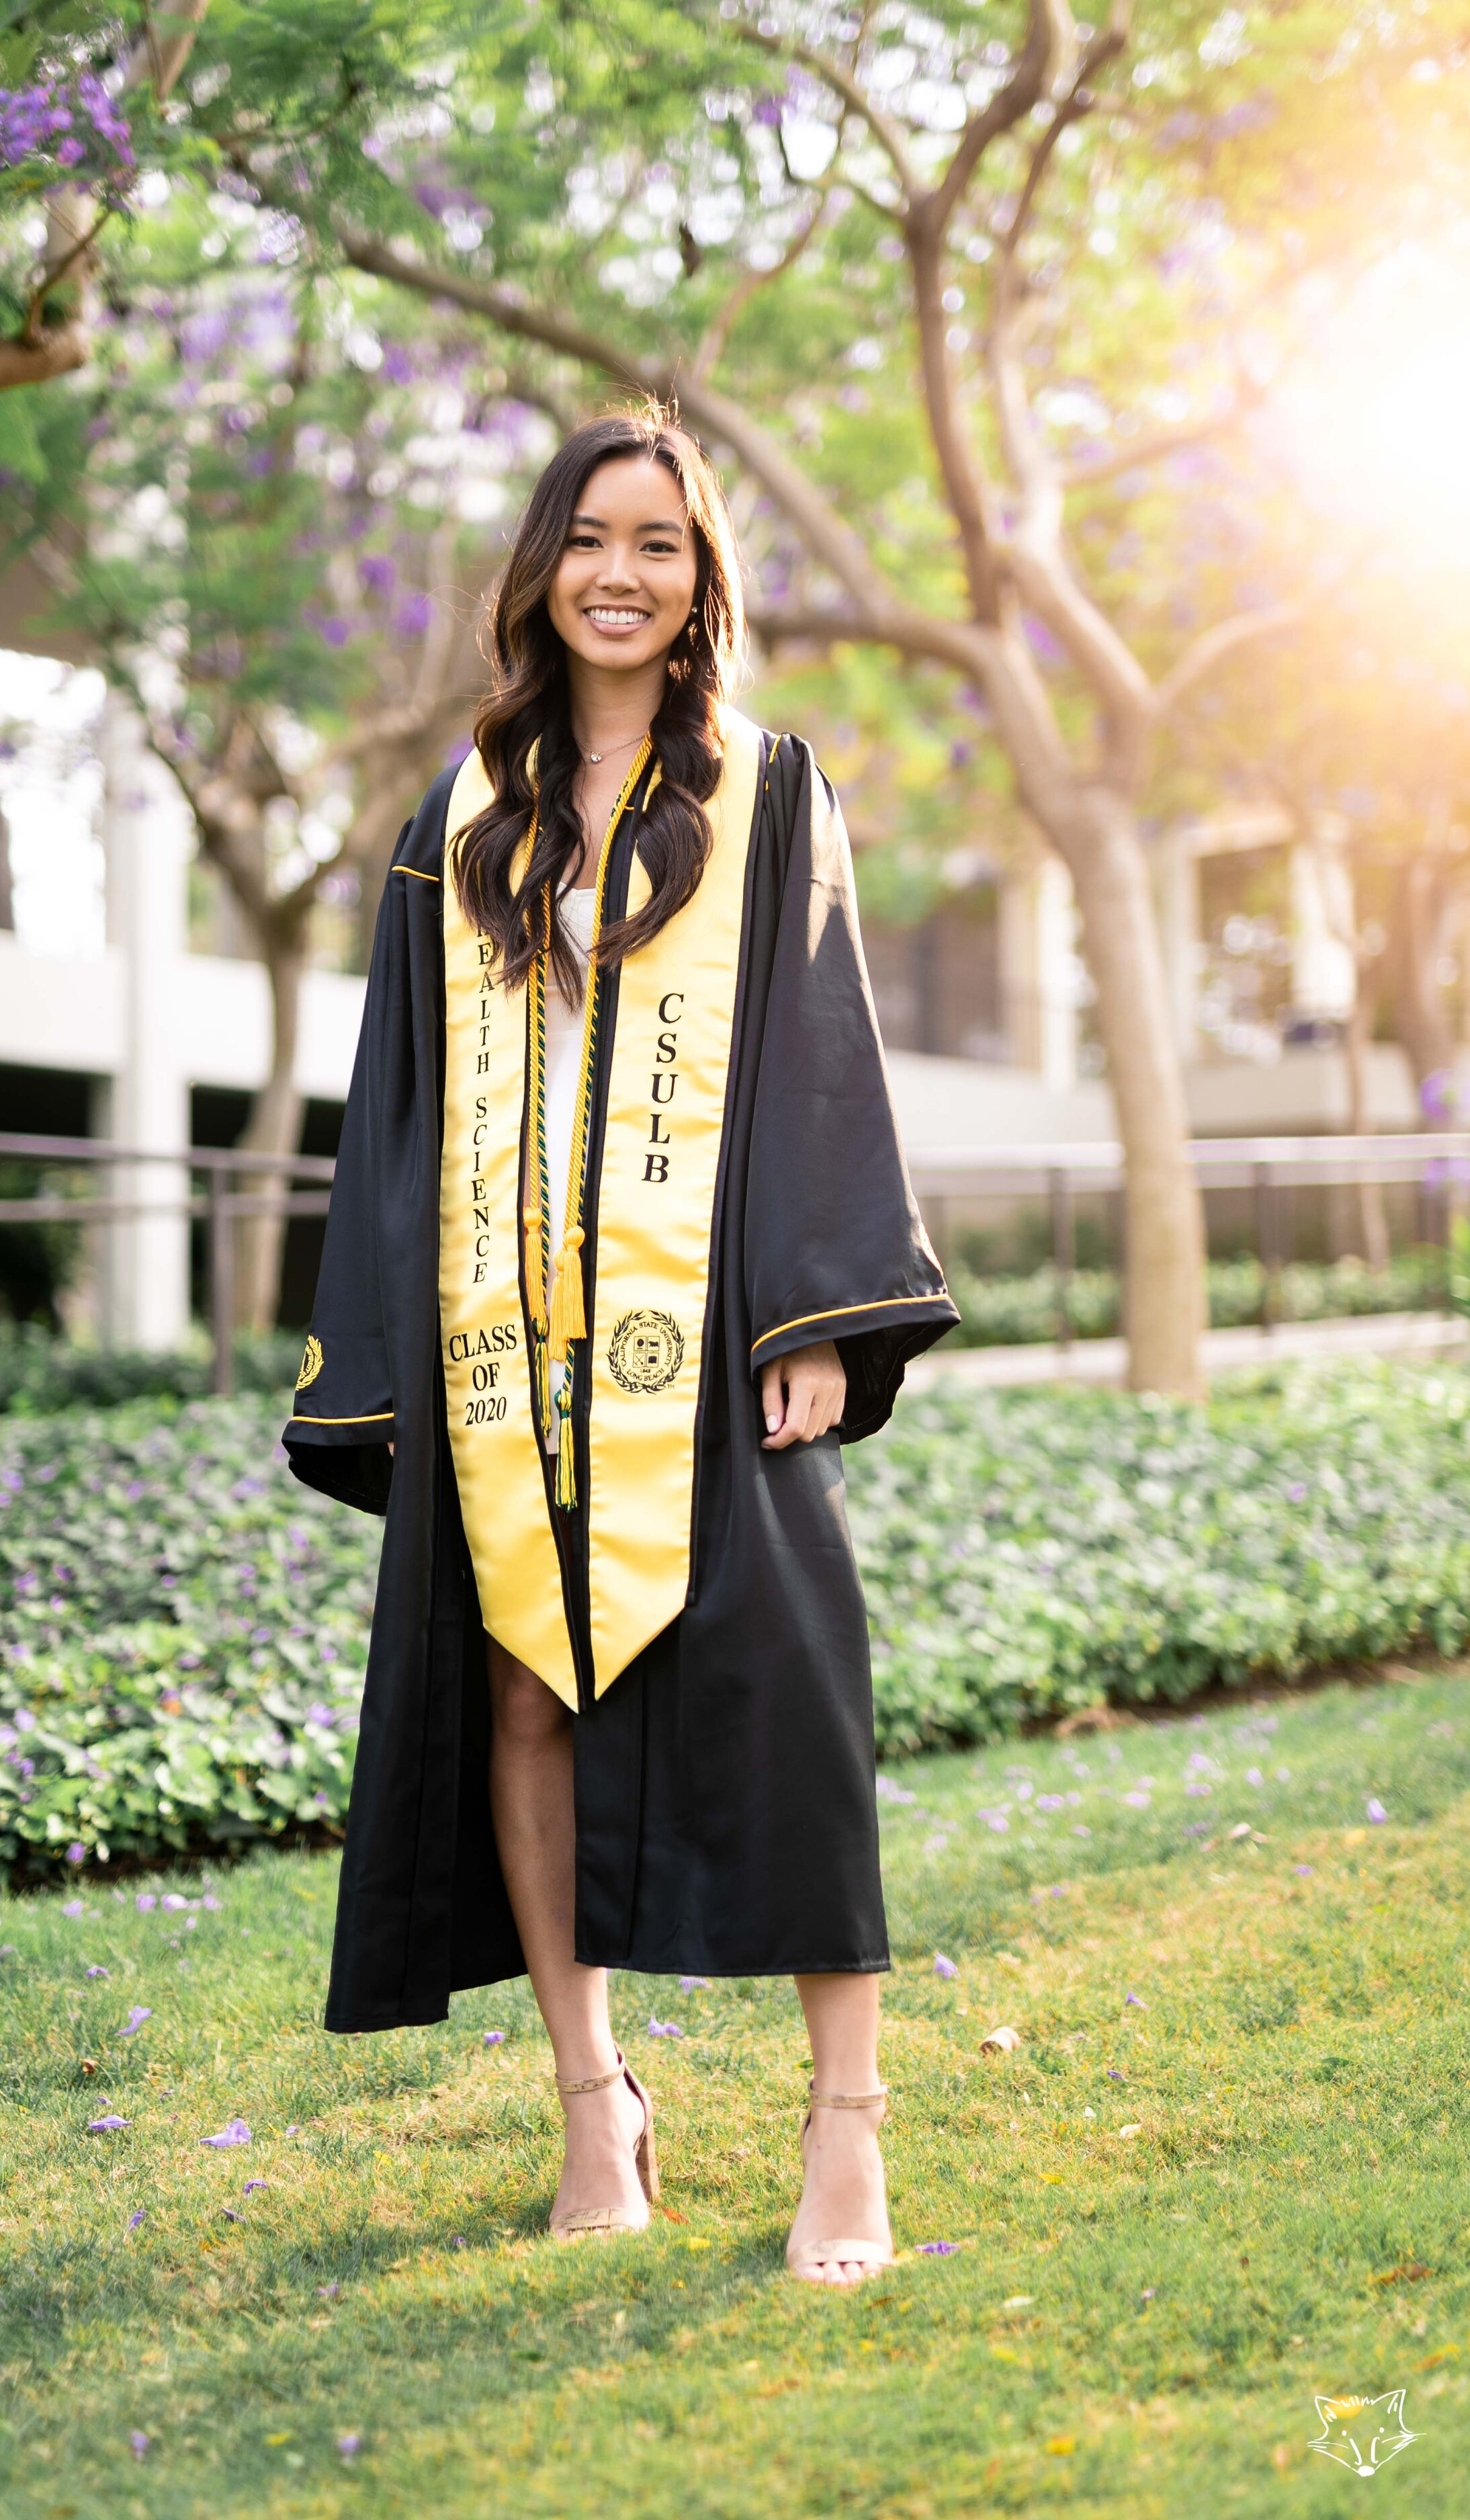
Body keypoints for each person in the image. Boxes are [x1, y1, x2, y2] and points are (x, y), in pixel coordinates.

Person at [285, 405, 957, 2284]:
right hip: (506, 1340)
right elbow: (399, 1102)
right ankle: (595, 2102)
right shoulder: (457, 819)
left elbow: (822, 1041)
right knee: (518, 1692)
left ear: (699, 580)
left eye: (659, 541)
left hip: (709, 1326)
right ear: (540, 565)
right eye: (589, 535)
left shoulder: (765, 787)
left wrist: (816, 1307)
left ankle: (847, 2126)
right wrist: (387, 1365)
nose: (619, 570)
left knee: (788, 1687)